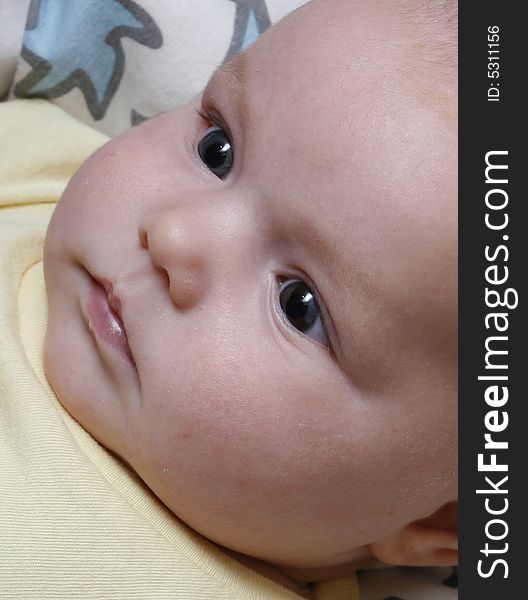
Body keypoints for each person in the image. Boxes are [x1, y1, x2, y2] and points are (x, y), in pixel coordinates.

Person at [1, 0, 457, 597]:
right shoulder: (39, 165)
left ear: (437, 522)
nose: (173, 236)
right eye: (218, 150)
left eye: (301, 306)